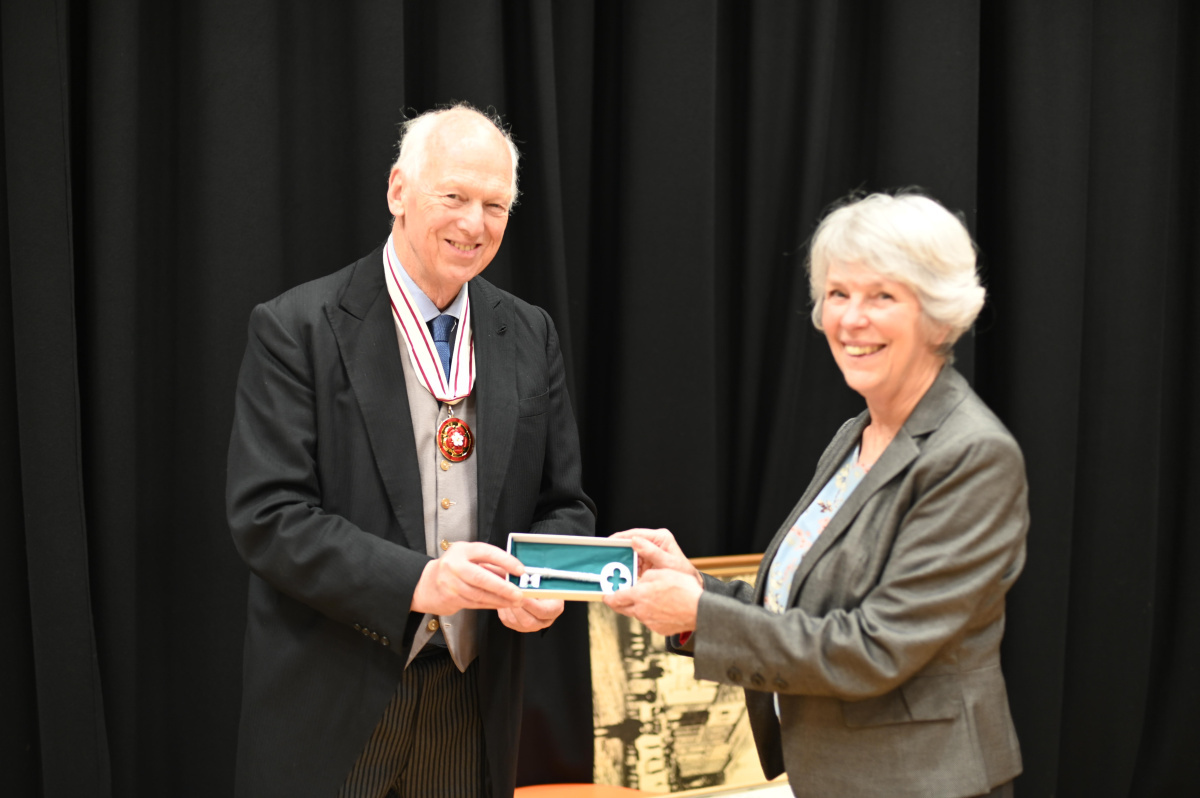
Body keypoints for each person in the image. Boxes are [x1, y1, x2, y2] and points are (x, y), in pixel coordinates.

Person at [226, 103, 595, 798]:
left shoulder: (530, 332)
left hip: (472, 700)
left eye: (495, 204)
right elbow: (268, 517)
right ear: (399, 190)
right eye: (453, 196)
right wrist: (422, 583)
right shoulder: (296, 328)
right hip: (333, 701)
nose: (474, 223)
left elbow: (564, 503)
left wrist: (547, 585)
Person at [605, 192, 1027, 798]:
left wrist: (701, 614)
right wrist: (698, 592)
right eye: (838, 293)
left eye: (882, 295)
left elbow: (875, 649)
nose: (852, 318)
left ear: (938, 313)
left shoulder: (972, 455)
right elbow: (804, 611)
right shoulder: (854, 435)